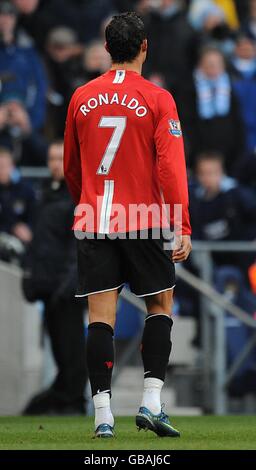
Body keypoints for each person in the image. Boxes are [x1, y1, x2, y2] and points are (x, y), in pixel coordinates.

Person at [64, 12, 192, 438]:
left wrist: (87, 204)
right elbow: (171, 169)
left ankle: (102, 415)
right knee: (160, 307)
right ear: (144, 47)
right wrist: (182, 224)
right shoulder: (158, 98)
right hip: (145, 219)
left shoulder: (82, 96)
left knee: (100, 318)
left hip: (96, 219)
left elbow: (71, 166)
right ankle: (151, 404)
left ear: (106, 48)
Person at [22, 140, 87, 415]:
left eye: (60, 158)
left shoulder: (78, 195)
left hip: (67, 290)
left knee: (71, 349)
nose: (55, 164)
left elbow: (79, 246)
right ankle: (64, 396)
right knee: (60, 349)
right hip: (49, 287)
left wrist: (69, 285)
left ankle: (73, 399)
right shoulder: (47, 193)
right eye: (51, 158)